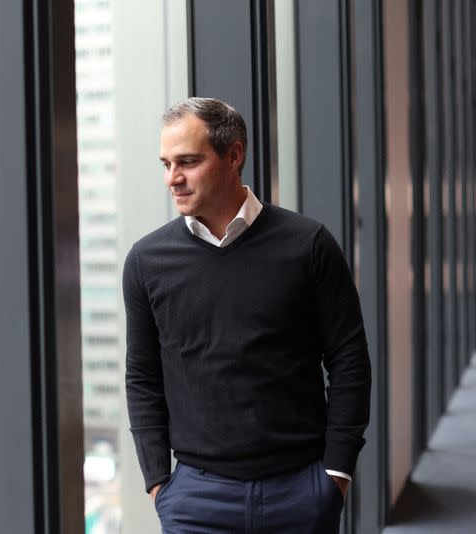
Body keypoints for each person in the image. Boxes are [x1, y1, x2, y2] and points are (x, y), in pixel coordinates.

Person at [122, 97, 371, 533]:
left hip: (300, 492)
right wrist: (159, 482)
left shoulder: (308, 245)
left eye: (188, 162)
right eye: (165, 164)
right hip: (196, 500)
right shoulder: (147, 262)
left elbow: (349, 362)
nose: (172, 179)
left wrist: (337, 474)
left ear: (233, 155)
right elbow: (142, 376)